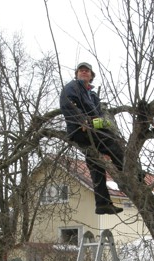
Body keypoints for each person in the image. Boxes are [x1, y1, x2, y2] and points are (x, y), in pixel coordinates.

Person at [60, 62, 125, 215]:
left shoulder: (92, 94)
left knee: (95, 164)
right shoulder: (73, 87)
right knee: (113, 142)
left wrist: (102, 122)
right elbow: (67, 103)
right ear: (76, 74)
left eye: (87, 71)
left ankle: (102, 204)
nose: (84, 72)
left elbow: (98, 114)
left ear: (91, 76)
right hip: (81, 129)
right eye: (81, 70)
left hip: (91, 129)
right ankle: (128, 176)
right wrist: (81, 120)